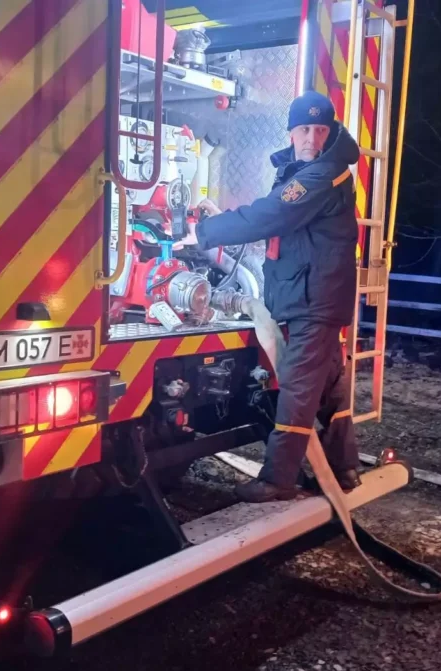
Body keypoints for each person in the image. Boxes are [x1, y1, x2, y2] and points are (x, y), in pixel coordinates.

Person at [176, 91, 362, 502]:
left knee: (297, 388)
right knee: (330, 384)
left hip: (314, 300)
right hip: (315, 296)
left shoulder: (322, 174)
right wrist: (223, 219)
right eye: (304, 129)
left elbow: (272, 214)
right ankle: (344, 466)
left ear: (330, 132)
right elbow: (278, 219)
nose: (311, 138)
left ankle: (278, 479)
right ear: (291, 132)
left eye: (320, 129)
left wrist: (202, 233)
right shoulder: (314, 170)